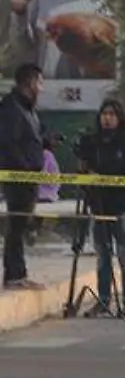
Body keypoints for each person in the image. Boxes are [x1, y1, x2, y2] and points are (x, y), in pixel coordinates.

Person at [76, 98, 125, 319]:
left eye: (112, 114)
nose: (107, 118)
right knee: (103, 255)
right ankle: (103, 300)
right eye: (104, 114)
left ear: (120, 117)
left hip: (122, 205)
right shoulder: (94, 142)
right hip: (98, 204)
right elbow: (83, 165)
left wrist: (109, 177)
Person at [1, 64, 47, 290]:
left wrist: (45, 143)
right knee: (17, 225)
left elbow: (27, 140)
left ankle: (18, 273)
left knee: (21, 224)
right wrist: (25, 168)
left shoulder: (28, 108)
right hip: (19, 177)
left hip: (30, 176)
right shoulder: (12, 108)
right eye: (40, 83)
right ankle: (14, 275)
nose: (42, 88)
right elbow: (9, 144)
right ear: (30, 83)